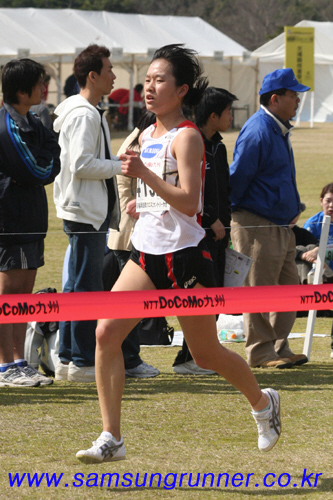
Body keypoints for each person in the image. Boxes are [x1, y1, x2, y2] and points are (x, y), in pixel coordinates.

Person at [76, 44, 282, 463]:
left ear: (182, 88)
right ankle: (111, 437)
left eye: (159, 81)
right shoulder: (146, 133)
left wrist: (144, 175)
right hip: (146, 254)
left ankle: (263, 403)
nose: (149, 88)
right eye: (147, 80)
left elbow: (191, 203)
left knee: (205, 354)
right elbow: (163, 198)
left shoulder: (187, 136)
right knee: (105, 332)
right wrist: (143, 202)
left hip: (187, 257)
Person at [230, 68, 310, 369]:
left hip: (281, 225)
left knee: (289, 289)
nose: (298, 99)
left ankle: (278, 346)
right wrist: (242, 218)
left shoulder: (278, 127)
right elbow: (237, 179)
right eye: (293, 94)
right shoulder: (259, 130)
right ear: (275, 99)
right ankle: (261, 352)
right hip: (257, 223)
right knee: (259, 289)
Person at [53, 44, 121, 383]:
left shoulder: (87, 110)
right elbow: (80, 164)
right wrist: (120, 167)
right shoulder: (83, 114)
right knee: (86, 290)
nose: (114, 76)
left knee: (77, 287)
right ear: (92, 76)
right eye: (109, 70)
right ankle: (80, 359)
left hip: (85, 211)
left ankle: (68, 358)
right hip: (84, 212)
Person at [0, 58, 60, 387]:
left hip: (31, 219)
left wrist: (48, 161)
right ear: (22, 90)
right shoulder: (6, 126)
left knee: (24, 293)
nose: (44, 88)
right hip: (11, 221)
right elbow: (34, 170)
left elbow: (54, 153)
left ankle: (20, 360)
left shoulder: (33, 121)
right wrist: (47, 163)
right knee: (9, 293)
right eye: (39, 83)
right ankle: (4, 365)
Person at [173, 87, 237, 375]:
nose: (231, 117)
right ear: (213, 116)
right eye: (228, 112)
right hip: (198, 234)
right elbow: (189, 191)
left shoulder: (219, 147)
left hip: (222, 234)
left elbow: (223, 189)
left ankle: (202, 356)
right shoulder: (192, 141)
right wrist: (210, 218)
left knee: (215, 296)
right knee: (199, 297)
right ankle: (188, 359)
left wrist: (226, 221)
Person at [106, 111, 160, 378]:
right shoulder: (135, 146)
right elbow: (125, 193)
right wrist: (143, 207)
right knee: (128, 306)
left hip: (132, 233)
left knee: (130, 306)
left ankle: (129, 358)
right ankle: (129, 360)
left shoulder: (139, 142)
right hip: (128, 235)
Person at [303, 183, 333, 358]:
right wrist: (315, 250)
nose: (331, 206)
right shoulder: (313, 223)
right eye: (328, 201)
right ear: (321, 201)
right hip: (319, 274)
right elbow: (305, 251)